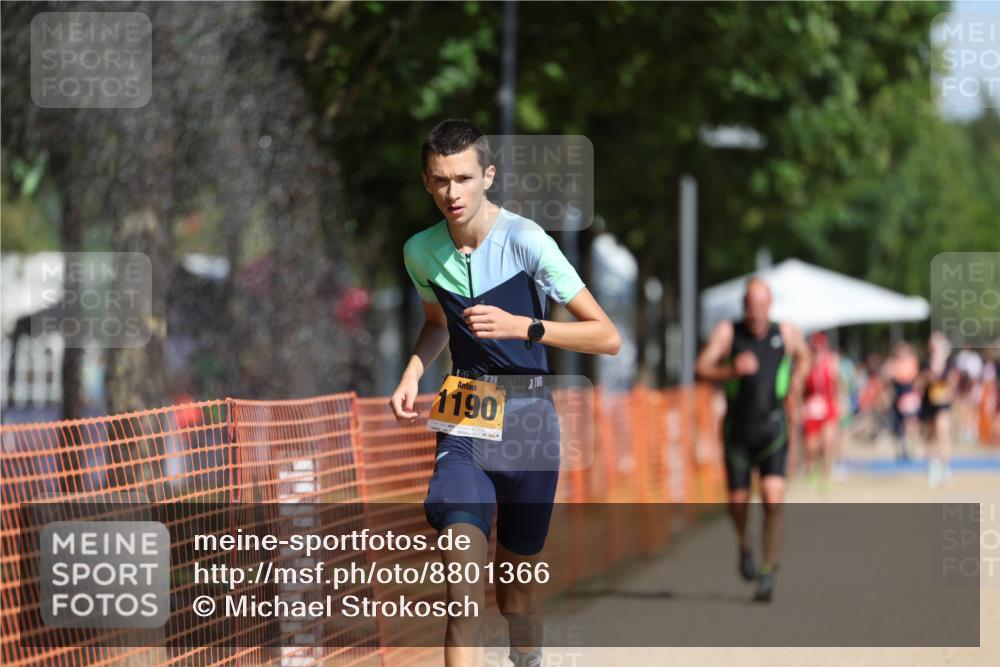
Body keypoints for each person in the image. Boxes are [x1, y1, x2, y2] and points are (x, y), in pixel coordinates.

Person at [389, 119, 620, 667]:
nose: (453, 193)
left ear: (487, 176)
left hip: (530, 418)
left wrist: (526, 327)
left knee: (514, 595)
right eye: (441, 180)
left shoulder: (525, 239)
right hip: (465, 406)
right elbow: (435, 323)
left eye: (464, 178)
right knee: (461, 593)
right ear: (426, 181)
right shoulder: (420, 251)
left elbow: (606, 336)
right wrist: (411, 372)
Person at [695, 277, 810, 602]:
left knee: (774, 499)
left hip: (773, 428)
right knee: (738, 503)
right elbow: (701, 367)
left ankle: (768, 572)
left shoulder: (785, 332)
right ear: (743, 307)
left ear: (769, 305)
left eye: (762, 305)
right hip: (738, 432)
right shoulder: (729, 333)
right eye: (750, 306)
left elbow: (805, 356)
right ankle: (744, 545)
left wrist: (798, 379)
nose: (756, 312)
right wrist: (731, 370)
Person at [801, 332, 839, 494]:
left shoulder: (831, 363)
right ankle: (810, 466)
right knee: (811, 446)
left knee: (828, 443)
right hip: (811, 408)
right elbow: (801, 388)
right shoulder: (806, 364)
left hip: (827, 405)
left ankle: (825, 478)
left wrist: (840, 401)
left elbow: (837, 385)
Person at [919, 332, 957, 487]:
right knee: (930, 436)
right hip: (928, 402)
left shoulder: (949, 362)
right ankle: (932, 466)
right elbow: (919, 382)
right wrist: (927, 378)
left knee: (943, 433)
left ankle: (945, 467)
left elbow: (953, 382)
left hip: (943, 403)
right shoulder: (925, 362)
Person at [888, 341, 921, 462]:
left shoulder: (912, 362)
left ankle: (911, 449)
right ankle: (902, 449)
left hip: (908, 396)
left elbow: (911, 378)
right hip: (898, 396)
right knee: (898, 425)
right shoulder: (894, 363)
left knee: (910, 423)